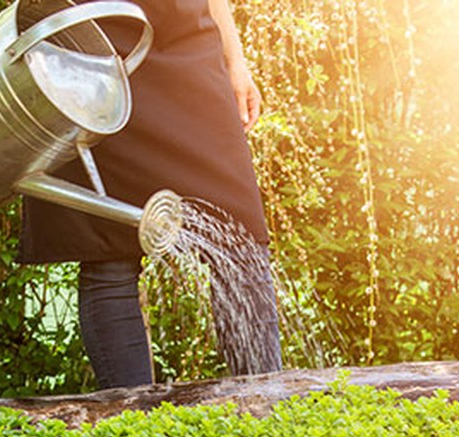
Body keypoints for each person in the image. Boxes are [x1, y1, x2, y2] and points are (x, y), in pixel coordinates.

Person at [21, 0, 283, 388]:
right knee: (109, 249)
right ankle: (133, 427)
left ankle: (265, 406)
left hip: (188, 39)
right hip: (93, 40)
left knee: (239, 243)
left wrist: (236, 60)